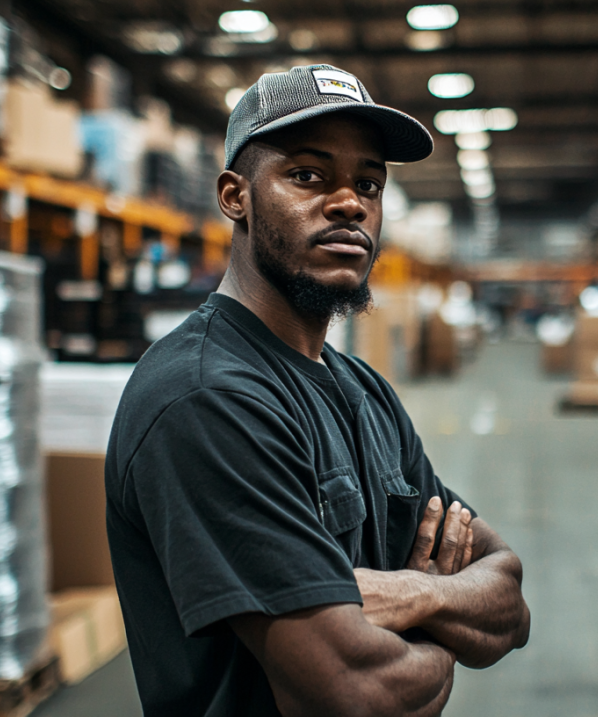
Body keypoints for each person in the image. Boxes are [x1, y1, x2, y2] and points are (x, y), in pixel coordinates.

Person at [105, 64, 530, 716]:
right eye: (306, 175)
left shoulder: (363, 390)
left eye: (368, 183)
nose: (348, 202)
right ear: (233, 195)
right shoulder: (207, 399)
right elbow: (357, 694)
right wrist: (443, 621)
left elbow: (508, 600)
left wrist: (417, 596)